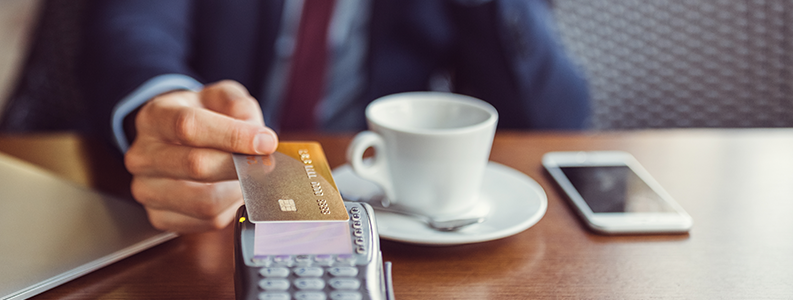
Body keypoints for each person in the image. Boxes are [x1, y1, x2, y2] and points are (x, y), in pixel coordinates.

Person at [79, 0, 591, 232]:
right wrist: (166, 104)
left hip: (381, 213)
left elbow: (557, 118)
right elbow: (132, 26)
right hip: (216, 197)